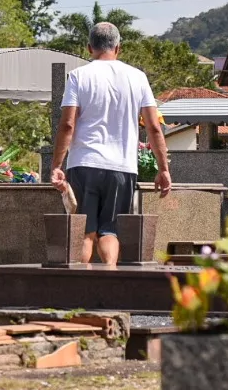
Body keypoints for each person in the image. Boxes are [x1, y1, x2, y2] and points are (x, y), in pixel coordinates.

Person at [50, 22, 171, 266]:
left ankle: (80, 292)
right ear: (118, 48)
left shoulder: (78, 76)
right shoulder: (137, 77)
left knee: (85, 232)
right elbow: (154, 127)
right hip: (122, 167)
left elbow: (67, 125)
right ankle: (109, 284)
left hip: (83, 163)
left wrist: (56, 165)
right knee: (110, 231)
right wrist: (163, 169)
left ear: (89, 47)